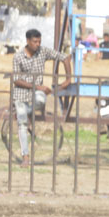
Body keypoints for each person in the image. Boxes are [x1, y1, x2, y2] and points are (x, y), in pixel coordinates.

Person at [10, 29, 72, 168]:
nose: (37, 44)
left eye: (39, 41)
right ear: (28, 41)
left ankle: (27, 111)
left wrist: (68, 79)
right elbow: (16, 80)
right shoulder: (18, 57)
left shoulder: (42, 52)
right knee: (22, 123)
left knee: (41, 100)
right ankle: (25, 157)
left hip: (36, 93)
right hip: (21, 93)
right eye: (35, 42)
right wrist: (38, 86)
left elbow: (64, 57)